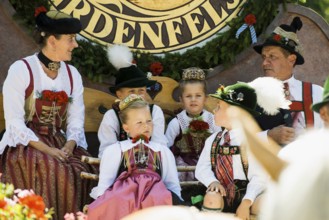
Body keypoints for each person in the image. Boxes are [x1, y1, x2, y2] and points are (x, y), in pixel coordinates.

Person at [0, 7, 97, 220]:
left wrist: (70, 144)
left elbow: (76, 119)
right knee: (49, 166)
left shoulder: (72, 75)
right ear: (52, 40)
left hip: (59, 139)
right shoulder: (22, 69)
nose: (76, 44)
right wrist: (48, 150)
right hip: (26, 143)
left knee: (82, 165)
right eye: (71, 39)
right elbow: (14, 122)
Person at [195, 77, 290, 219]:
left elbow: (259, 177)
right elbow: (201, 168)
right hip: (222, 194)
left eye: (219, 107)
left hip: (249, 195)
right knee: (211, 197)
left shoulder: (252, 141)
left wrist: (246, 202)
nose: (214, 110)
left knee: (266, 202)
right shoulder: (213, 141)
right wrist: (212, 182)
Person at [88, 94, 182, 220]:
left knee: (159, 198)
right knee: (117, 199)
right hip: (123, 197)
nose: (146, 126)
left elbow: (172, 184)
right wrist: (102, 202)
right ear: (126, 127)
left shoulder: (162, 151)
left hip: (155, 198)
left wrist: (177, 202)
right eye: (139, 122)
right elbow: (105, 183)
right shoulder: (116, 150)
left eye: (149, 121)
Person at [253, 16, 323, 145]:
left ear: (291, 59)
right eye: (264, 57)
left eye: (272, 57)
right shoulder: (250, 95)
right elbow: (232, 138)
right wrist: (268, 136)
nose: (264, 63)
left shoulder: (317, 94)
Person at [97, 44, 167, 158]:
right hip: (120, 166)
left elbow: (160, 145)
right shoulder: (112, 116)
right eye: (131, 91)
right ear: (119, 94)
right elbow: (107, 151)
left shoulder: (154, 112)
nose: (137, 95)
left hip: (151, 164)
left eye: (141, 91)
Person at [165, 67, 221, 182]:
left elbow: (220, 143)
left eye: (198, 96)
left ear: (205, 98)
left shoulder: (212, 120)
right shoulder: (177, 122)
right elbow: (166, 148)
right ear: (181, 99)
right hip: (185, 165)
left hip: (208, 162)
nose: (193, 100)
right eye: (188, 96)